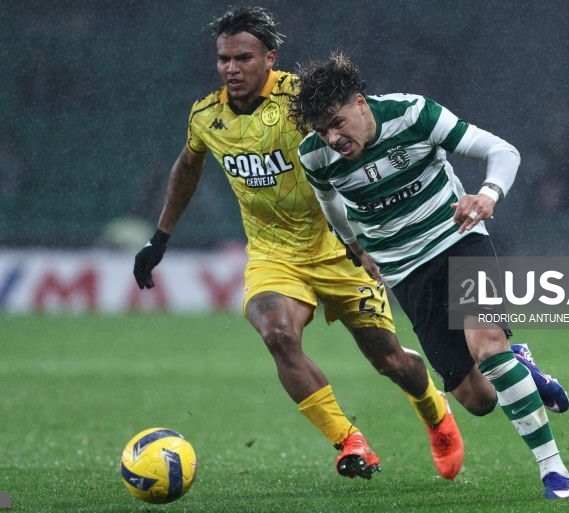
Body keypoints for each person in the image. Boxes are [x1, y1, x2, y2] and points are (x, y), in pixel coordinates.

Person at [132, 7, 463, 481]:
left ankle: (434, 411)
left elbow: (359, 138)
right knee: (278, 335)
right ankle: (349, 440)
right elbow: (188, 166)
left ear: (270, 57)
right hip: (274, 254)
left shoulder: (301, 101)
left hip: (339, 245)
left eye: (242, 57)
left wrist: (378, 230)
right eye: (223, 58)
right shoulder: (207, 115)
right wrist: (159, 238)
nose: (231, 68)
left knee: (389, 358)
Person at [291, 51, 569, 499]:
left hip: (459, 241)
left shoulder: (412, 114)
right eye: (322, 130)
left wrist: (488, 194)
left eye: (337, 122)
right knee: (478, 400)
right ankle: (519, 359)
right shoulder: (314, 157)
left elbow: (501, 150)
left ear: (361, 103)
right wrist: (355, 247)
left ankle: (554, 471)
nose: (332, 137)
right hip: (406, 272)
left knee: (488, 349)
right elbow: (331, 204)